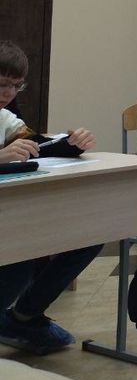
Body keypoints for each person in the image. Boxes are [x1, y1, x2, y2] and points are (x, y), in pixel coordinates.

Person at [0, 41, 101, 354]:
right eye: (2, 84)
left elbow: (38, 145)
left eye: (16, 86)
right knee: (19, 260)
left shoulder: (4, 116)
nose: (8, 94)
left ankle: (23, 316)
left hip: (12, 210)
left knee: (89, 234)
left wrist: (71, 143)